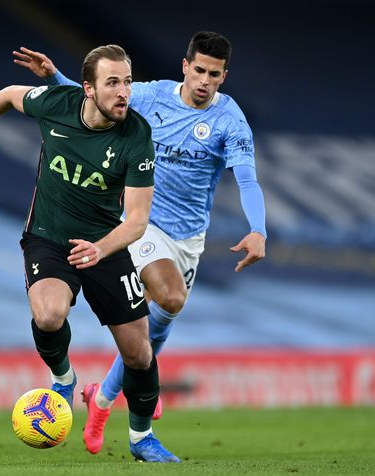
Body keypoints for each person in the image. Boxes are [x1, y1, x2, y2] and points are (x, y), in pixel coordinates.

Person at [14, 31, 267, 455]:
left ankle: (104, 398)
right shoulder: (151, 96)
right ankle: (136, 425)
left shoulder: (230, 121)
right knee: (168, 296)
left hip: (188, 236)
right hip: (139, 223)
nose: (205, 80)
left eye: (215, 74)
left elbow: (247, 178)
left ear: (224, 77)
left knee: (157, 323)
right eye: (199, 70)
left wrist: (257, 228)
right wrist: (55, 76)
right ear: (185, 67)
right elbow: (94, 98)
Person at [0, 44, 180, 463]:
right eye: (112, 83)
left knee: (138, 352)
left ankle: (141, 438)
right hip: (49, 238)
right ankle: (63, 377)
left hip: (105, 246)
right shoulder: (57, 105)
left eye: (128, 83)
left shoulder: (136, 134)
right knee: (48, 315)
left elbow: (135, 221)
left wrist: (100, 248)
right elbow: (8, 94)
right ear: (88, 89)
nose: (123, 93)